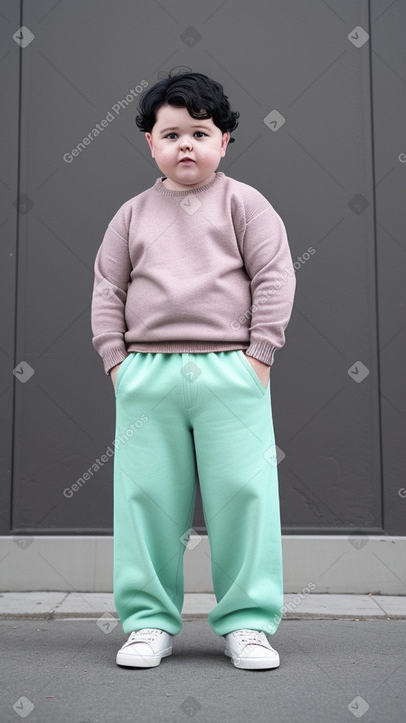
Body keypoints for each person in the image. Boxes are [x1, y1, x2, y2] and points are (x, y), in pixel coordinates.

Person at [91, 69, 296, 671]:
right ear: (149, 143)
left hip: (232, 370)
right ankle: (149, 622)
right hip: (146, 373)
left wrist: (260, 353)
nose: (187, 144)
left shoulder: (244, 203)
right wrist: (115, 363)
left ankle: (249, 624)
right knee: (145, 499)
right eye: (172, 133)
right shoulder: (131, 215)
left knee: (245, 496)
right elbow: (108, 287)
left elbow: (275, 275)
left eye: (200, 133)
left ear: (224, 142)